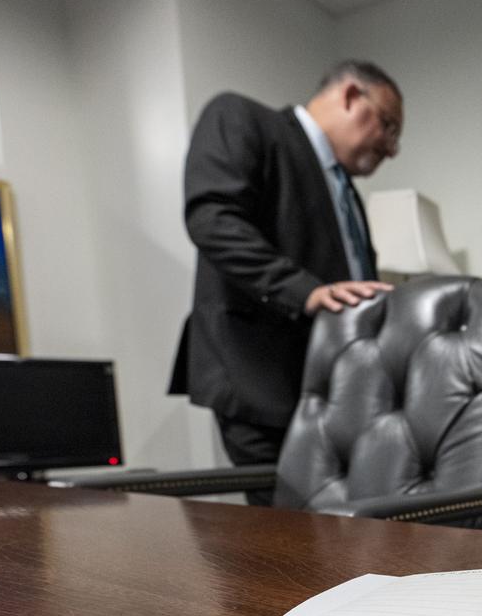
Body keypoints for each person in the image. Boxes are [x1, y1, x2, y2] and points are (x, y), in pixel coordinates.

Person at [169, 61, 401, 503]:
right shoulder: (241, 118)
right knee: (287, 539)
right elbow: (213, 219)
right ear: (351, 96)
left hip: (334, 392)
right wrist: (304, 290)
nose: (392, 149)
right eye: (388, 126)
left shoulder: (346, 191)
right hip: (263, 383)